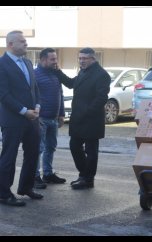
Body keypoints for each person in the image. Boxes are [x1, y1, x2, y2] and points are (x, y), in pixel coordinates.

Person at [54, 47, 110, 190]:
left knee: (91, 151)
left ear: (93, 59)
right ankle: (83, 174)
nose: (81, 61)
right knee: (74, 146)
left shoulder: (101, 74)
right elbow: (72, 84)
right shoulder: (83, 72)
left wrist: (87, 112)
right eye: (79, 58)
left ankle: (88, 179)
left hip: (91, 119)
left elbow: (102, 98)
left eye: (84, 58)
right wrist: (57, 72)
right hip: (78, 118)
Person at [0, 30, 44, 207]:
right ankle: (3, 193)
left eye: (25, 41)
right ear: (10, 44)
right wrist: (24, 111)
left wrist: (38, 106)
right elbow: (3, 94)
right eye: (22, 41)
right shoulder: (2, 64)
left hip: (32, 119)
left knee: (33, 153)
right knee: (9, 157)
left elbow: (34, 88)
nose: (26, 43)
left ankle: (26, 187)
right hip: (13, 119)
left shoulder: (27, 62)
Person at [33, 48, 66, 190]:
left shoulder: (56, 74)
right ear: (43, 60)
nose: (55, 62)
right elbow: (31, 96)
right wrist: (35, 115)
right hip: (40, 119)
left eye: (55, 59)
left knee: (50, 147)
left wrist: (61, 114)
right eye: (52, 59)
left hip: (53, 119)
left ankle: (47, 174)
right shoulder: (34, 75)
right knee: (38, 149)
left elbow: (61, 95)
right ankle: (34, 177)